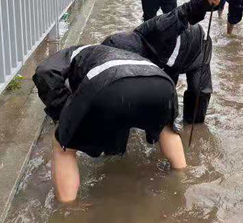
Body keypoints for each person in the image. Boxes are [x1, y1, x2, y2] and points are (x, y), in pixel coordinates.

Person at [33, 44, 186, 203]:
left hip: (109, 80)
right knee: (166, 128)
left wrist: (63, 116)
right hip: (162, 82)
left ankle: (68, 208)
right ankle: (182, 178)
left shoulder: (69, 55)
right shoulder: (116, 52)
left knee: (62, 145)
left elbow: (44, 72)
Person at [102, 0, 221, 124]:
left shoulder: (157, 29)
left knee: (198, 96)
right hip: (169, 64)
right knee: (163, 107)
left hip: (198, 47)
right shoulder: (139, 67)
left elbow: (184, 12)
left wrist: (205, 1)